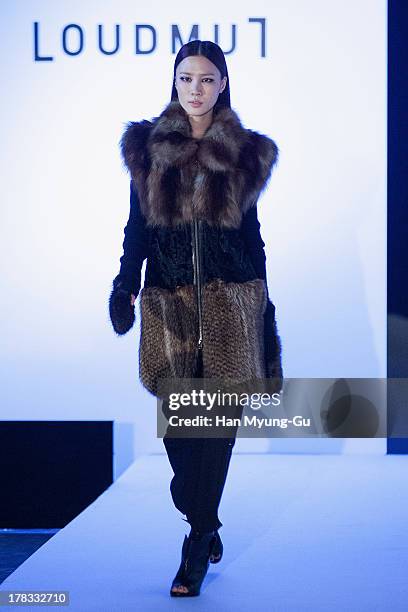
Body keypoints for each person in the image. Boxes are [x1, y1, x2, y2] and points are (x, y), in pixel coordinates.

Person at [109, 39, 283, 597]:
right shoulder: (147, 150)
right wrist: (123, 283)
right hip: (171, 305)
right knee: (182, 433)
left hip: (232, 306)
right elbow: (137, 228)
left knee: (217, 429)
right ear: (174, 81)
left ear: (223, 83)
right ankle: (203, 518)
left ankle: (195, 546)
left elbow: (251, 236)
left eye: (206, 79)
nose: (195, 89)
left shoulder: (247, 154)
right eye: (186, 78)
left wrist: (264, 307)